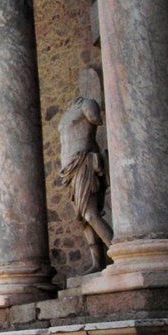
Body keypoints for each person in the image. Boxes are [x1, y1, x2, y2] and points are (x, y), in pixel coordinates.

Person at [58, 96, 113, 272]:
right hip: (69, 169)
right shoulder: (69, 110)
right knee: (82, 219)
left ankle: (117, 252)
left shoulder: (87, 104)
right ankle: (97, 262)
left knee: (90, 214)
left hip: (83, 162)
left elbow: (97, 120)